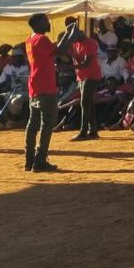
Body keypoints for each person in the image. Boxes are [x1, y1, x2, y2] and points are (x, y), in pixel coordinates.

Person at [25, 13, 77, 172]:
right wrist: (70, 35)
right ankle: (40, 161)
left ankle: (29, 160)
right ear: (38, 24)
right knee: (47, 124)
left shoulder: (30, 39)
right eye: (46, 21)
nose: (49, 23)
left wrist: (67, 36)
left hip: (34, 85)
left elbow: (53, 51)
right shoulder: (42, 39)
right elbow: (60, 51)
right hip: (45, 85)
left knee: (32, 124)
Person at [68, 28, 104, 141]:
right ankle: (93, 130)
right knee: (89, 103)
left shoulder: (90, 43)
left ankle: (83, 131)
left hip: (91, 75)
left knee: (84, 102)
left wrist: (66, 67)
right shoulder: (76, 43)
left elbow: (86, 63)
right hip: (82, 76)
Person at [0, 45, 31, 128]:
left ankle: (16, 120)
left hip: (26, 91)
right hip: (13, 91)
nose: (15, 59)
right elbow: (0, 82)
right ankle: (1, 122)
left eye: (18, 57)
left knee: (16, 100)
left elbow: (30, 80)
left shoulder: (28, 67)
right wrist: (1, 85)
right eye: (14, 57)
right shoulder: (9, 67)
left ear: (22, 57)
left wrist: (21, 78)